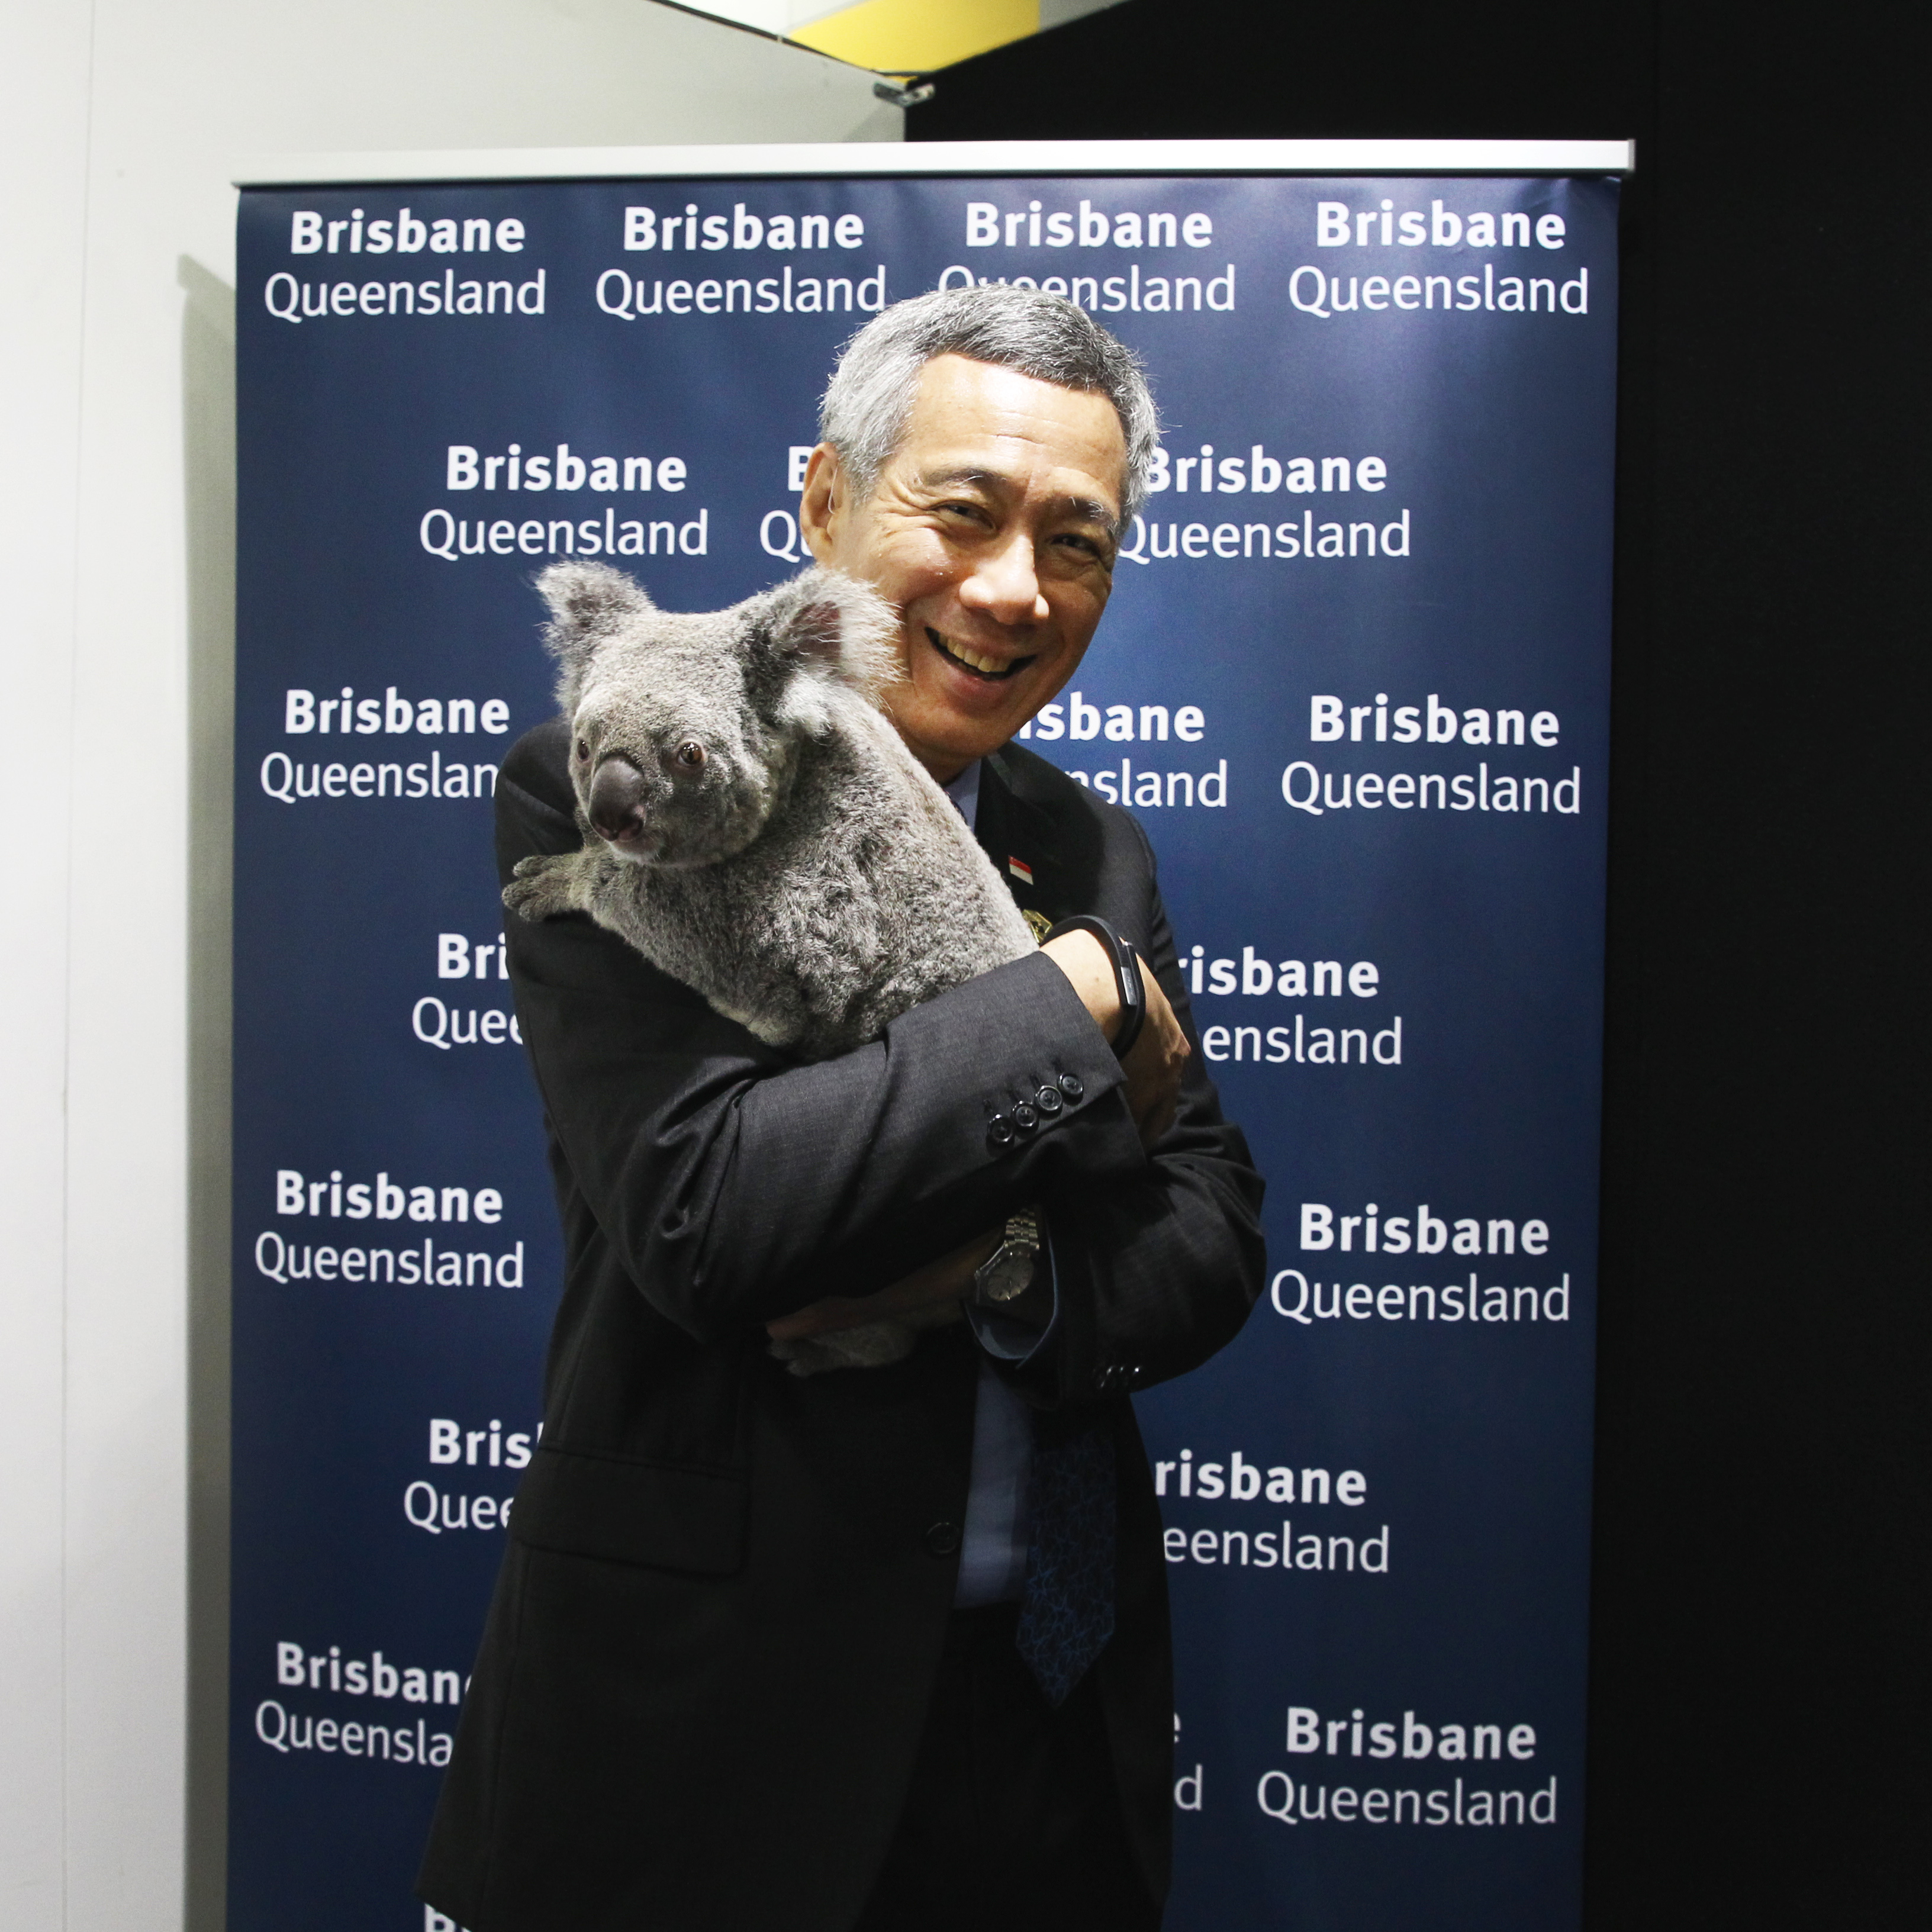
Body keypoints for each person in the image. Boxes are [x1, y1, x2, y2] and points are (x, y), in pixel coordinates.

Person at [419, 285, 1265, 1932]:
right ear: (824, 500)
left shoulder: (1089, 849)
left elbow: (1212, 1230)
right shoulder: (621, 777)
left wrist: (988, 1277)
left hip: (1044, 1737)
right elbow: (721, 1216)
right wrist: (1076, 1007)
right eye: (965, 512)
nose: (1014, 587)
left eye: (1077, 541)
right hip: (714, 1754)